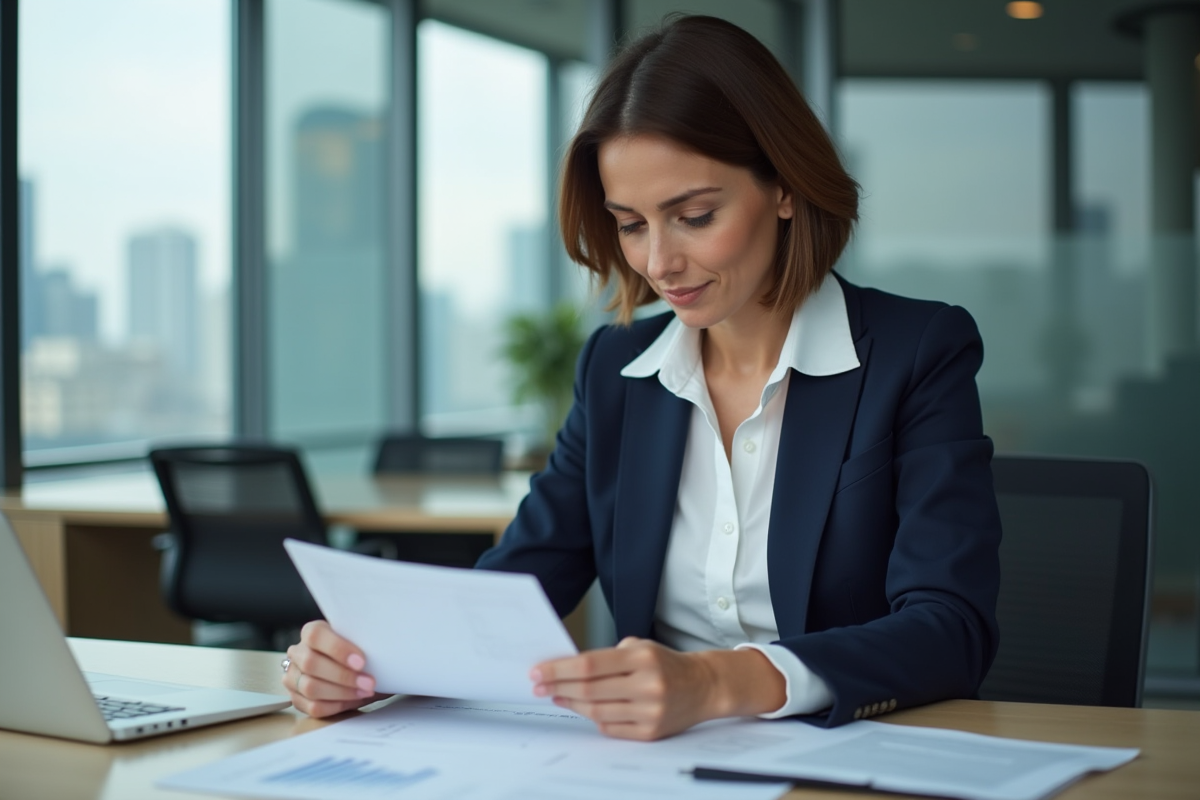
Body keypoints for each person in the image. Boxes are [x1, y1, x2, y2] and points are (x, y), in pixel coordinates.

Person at [282, 14, 1002, 741]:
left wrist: (719, 681)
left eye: (693, 215)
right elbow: (513, 588)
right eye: (630, 224)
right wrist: (370, 660)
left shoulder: (917, 353)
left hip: (846, 759)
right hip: (650, 766)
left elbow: (950, 629)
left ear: (784, 188)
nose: (659, 263)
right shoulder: (615, 373)